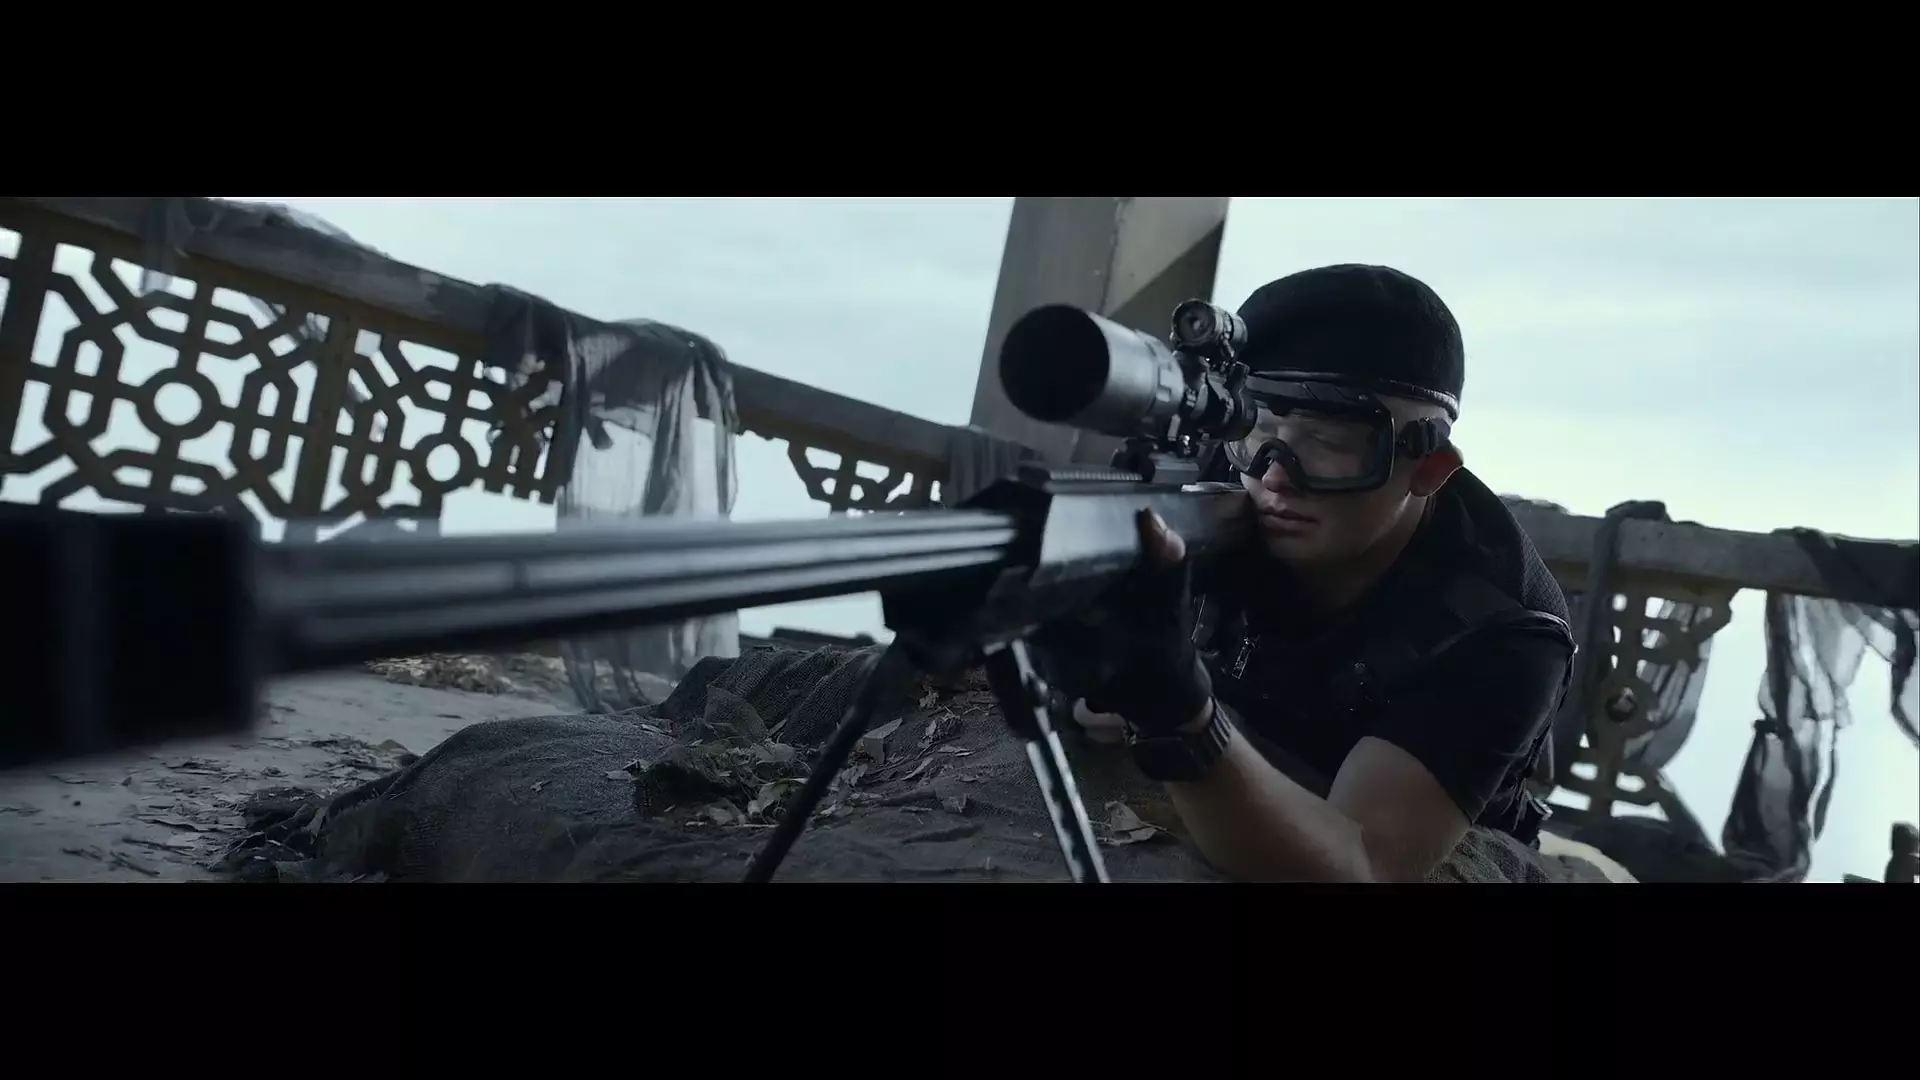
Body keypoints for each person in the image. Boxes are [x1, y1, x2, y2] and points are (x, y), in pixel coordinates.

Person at [1073, 264, 1577, 883]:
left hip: (1421, 827)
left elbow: (1362, 862)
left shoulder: (1501, 629)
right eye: (1256, 430)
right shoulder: (1221, 481)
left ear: (1429, 468)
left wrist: (1175, 711)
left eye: (1329, 443)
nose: (1274, 476)